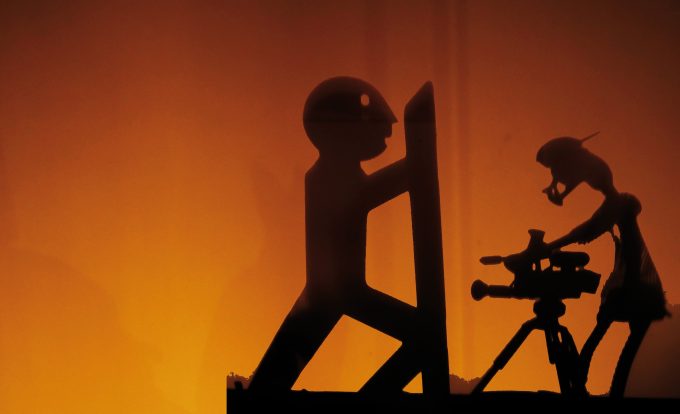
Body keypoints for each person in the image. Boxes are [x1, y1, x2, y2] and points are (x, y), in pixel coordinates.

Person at [248, 77, 420, 392]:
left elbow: (366, 193)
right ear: (337, 132)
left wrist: (409, 171)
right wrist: (411, 170)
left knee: (276, 372)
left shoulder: (338, 174)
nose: (384, 134)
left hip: (338, 292)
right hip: (336, 292)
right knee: (421, 335)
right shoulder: (327, 176)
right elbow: (364, 196)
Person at [536, 134, 669, 397]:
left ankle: (586, 377)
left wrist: (550, 247)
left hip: (635, 282)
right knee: (619, 333)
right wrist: (557, 190)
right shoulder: (615, 201)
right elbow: (588, 225)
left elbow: (586, 230)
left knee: (608, 327)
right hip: (636, 282)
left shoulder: (616, 205)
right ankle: (594, 381)